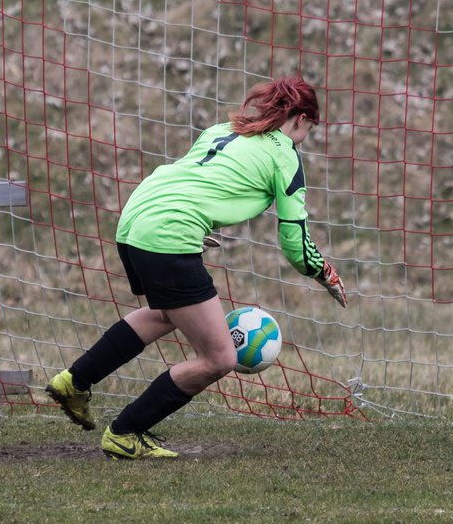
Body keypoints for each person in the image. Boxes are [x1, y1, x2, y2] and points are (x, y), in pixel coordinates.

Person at [45, 76, 349, 459]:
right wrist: (324, 273)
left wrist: (193, 228)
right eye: (311, 128)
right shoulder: (286, 156)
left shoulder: (224, 129)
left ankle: (73, 382)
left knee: (164, 313)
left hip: (138, 217)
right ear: (302, 119)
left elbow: (198, 182)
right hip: (169, 232)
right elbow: (294, 243)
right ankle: (126, 432)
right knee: (220, 358)